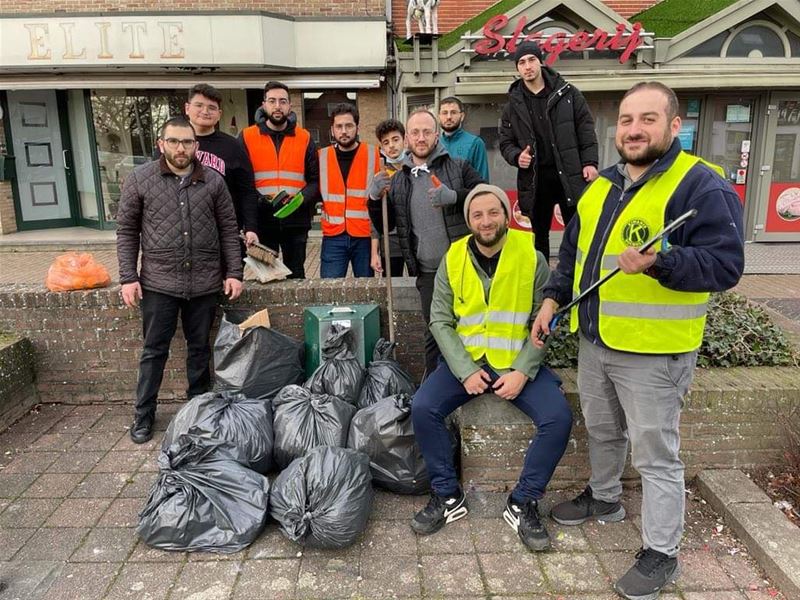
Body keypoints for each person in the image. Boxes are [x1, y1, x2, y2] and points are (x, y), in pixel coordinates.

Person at [531, 82, 745, 599]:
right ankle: (605, 498)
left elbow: (726, 264)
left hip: (654, 352)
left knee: (656, 455)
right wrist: (553, 301)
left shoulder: (699, 187)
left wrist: (661, 263)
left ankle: (661, 551)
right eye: (626, 120)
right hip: (597, 339)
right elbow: (574, 257)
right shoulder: (602, 185)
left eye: (647, 119)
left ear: (674, 125)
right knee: (603, 431)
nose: (633, 129)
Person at [410, 183, 573, 551]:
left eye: (493, 212)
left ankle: (523, 501)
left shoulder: (531, 256)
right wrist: (464, 370)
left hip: (515, 361)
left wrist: (523, 371)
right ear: (469, 220)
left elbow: (546, 319)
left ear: (506, 214)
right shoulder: (452, 258)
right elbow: (439, 320)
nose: (486, 221)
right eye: (477, 214)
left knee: (558, 417)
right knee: (422, 408)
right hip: (465, 360)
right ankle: (447, 496)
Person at [117, 116, 243, 444]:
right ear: (161, 144)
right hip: (158, 283)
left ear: (195, 146)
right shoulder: (140, 179)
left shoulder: (213, 182)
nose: (180, 148)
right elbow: (127, 230)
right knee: (153, 351)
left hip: (204, 282)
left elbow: (229, 229)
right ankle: (143, 415)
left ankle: (197, 412)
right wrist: (128, 276)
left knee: (200, 348)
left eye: (187, 142)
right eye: (173, 141)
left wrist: (234, 272)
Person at [368, 109, 484, 376]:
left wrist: (454, 196)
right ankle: (434, 386)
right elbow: (388, 223)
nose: (421, 138)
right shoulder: (400, 180)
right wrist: (374, 198)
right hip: (429, 273)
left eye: (427, 132)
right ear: (407, 138)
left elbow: (484, 197)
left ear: (436, 135)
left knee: (469, 326)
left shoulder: (458, 167)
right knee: (434, 330)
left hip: (465, 267)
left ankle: (472, 379)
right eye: (415, 133)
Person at [499, 41, 599, 261]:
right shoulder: (512, 106)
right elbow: (505, 143)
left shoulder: (569, 94)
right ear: (517, 68)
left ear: (541, 62)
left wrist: (590, 162)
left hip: (569, 175)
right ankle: (544, 285)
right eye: (522, 62)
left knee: (576, 232)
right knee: (539, 236)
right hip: (536, 180)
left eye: (532, 60)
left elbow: (586, 130)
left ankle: (576, 278)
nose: (527, 66)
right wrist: (517, 156)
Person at [239, 81, 319, 279]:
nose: (277, 106)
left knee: (297, 274)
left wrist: (299, 199)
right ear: (263, 104)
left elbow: (315, 180)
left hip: (296, 220)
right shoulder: (247, 136)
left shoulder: (304, 137)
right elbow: (241, 180)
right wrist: (259, 201)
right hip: (262, 220)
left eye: (282, 101)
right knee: (266, 276)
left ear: (289, 106)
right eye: (272, 101)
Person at [183, 83, 260, 251]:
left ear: (219, 114)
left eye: (212, 107)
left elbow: (247, 190)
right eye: (199, 105)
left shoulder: (233, 147)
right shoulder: (172, 143)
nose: (205, 111)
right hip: (182, 233)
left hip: (224, 232)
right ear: (187, 108)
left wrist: (251, 227)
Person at [319, 103, 381, 278]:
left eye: (349, 126)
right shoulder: (321, 157)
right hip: (333, 236)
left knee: (366, 291)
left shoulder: (374, 155)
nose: (344, 131)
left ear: (357, 128)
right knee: (329, 292)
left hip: (364, 236)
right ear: (332, 130)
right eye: (339, 126)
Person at [369, 118, 407, 277]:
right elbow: (375, 219)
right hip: (391, 243)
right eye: (386, 142)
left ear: (405, 141)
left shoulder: (415, 169)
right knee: (394, 285)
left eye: (395, 139)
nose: (391, 145)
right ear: (382, 148)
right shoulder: (381, 175)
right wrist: (374, 252)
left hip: (415, 240)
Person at [437, 97, 490, 181]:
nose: (449, 117)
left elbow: (482, 181)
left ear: (462, 116)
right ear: (439, 116)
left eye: (453, 112)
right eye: (444, 113)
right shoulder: (434, 144)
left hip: (467, 194)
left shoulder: (475, 143)